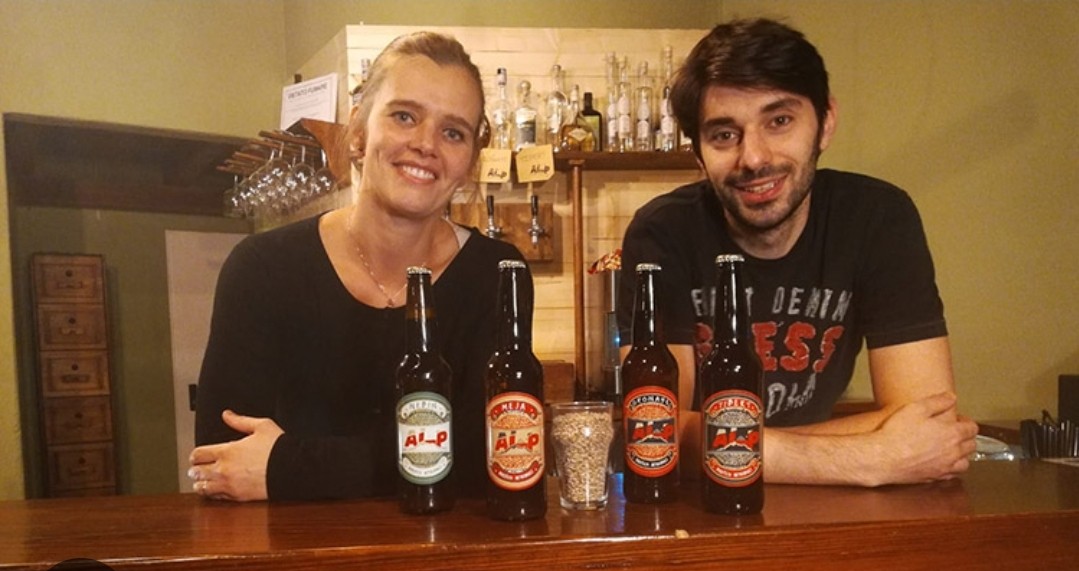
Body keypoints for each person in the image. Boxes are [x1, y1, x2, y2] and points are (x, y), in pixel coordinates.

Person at [617, 18, 978, 487]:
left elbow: (930, 420)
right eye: (724, 135)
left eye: (779, 121)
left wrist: (731, 444)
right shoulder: (663, 232)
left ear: (825, 122)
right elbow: (654, 432)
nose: (754, 158)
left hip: (823, 508)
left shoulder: (878, 217)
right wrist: (866, 458)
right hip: (706, 509)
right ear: (698, 154)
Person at [189, 31, 528, 501]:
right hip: (291, 548)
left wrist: (287, 465)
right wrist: (418, 458)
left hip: (445, 547)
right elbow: (222, 458)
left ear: (469, 160)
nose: (426, 144)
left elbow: (488, 456)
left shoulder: (498, 274)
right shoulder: (262, 268)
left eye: (453, 132)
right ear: (359, 131)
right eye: (404, 116)